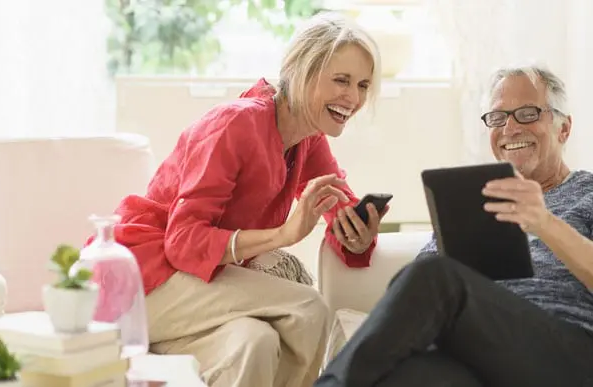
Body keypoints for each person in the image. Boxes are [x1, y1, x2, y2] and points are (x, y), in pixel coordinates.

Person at [315, 65, 593, 387]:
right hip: (488, 360)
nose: (510, 129)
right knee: (407, 375)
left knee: (438, 275)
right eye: (497, 117)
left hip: (577, 361)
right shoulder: (475, 197)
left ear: (563, 128)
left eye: (528, 113)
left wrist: (545, 223)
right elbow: (415, 300)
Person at [103, 12, 387, 387]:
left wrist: (357, 232)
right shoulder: (235, 125)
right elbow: (182, 242)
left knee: (257, 342)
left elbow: (341, 209)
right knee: (307, 307)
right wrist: (282, 236)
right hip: (143, 279)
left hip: (199, 289)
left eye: (363, 85)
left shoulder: (308, 139)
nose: (353, 97)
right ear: (301, 70)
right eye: (341, 80)